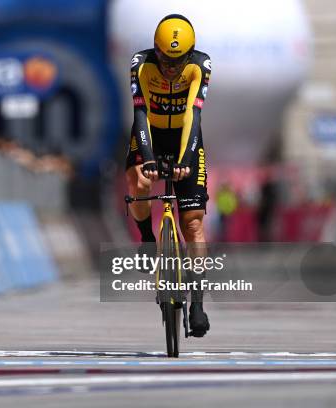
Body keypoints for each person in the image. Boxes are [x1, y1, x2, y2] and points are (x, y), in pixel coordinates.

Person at [125, 14, 211, 337]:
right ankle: (147, 237)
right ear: (155, 50)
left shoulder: (200, 66)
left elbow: (193, 114)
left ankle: (198, 303)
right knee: (138, 181)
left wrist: (187, 159)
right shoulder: (140, 64)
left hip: (186, 138)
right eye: (164, 59)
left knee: (193, 223)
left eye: (178, 62)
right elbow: (140, 112)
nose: (171, 68)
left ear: (189, 56)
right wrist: (147, 158)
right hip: (151, 134)